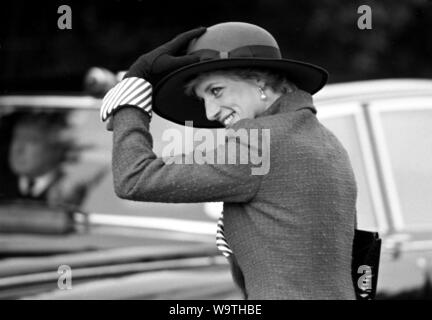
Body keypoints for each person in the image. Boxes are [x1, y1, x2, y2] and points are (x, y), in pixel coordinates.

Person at [100, 22, 357, 299]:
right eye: (203, 99)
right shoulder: (328, 142)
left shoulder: (260, 143)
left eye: (216, 90)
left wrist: (131, 98)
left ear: (259, 79)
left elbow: (133, 178)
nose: (209, 113)